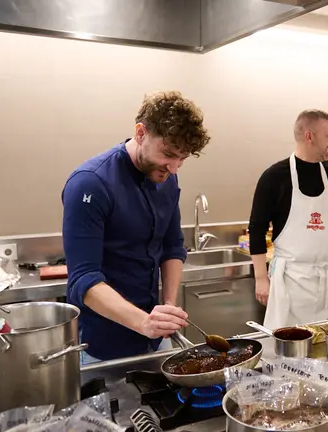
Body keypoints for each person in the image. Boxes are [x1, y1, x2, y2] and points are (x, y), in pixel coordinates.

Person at [62, 91, 211, 364]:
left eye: (182, 159)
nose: (174, 168)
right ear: (140, 133)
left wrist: (166, 306)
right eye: (168, 154)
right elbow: (83, 280)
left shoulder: (167, 179)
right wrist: (143, 322)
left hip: (155, 338)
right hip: (103, 346)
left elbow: (172, 246)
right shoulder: (90, 183)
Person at [249, 109, 328, 329]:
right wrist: (261, 278)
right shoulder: (274, 177)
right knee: (291, 354)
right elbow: (256, 228)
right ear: (309, 136)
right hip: (292, 283)